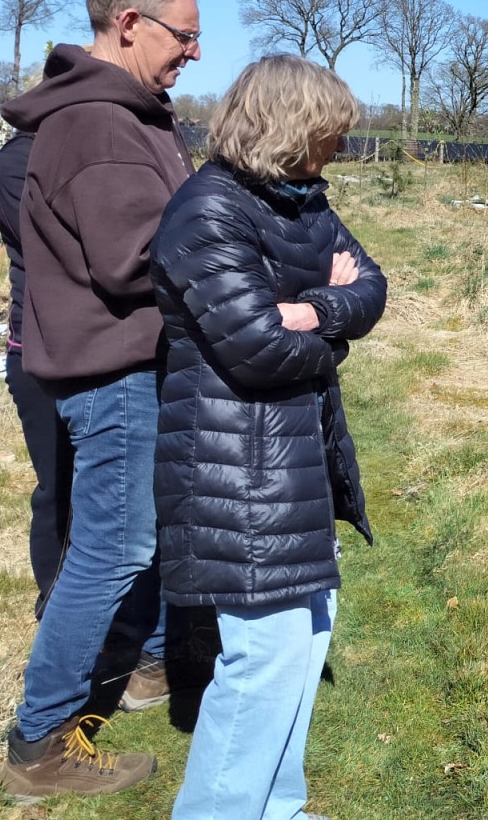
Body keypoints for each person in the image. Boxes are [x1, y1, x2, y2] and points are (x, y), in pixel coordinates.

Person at [152, 54, 385, 820]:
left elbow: (371, 286)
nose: (340, 147)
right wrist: (330, 320)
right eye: (330, 132)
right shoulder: (207, 211)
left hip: (295, 456)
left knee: (306, 642)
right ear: (290, 129)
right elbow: (257, 347)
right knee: (262, 663)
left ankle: (276, 808)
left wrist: (312, 312)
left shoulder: (304, 202)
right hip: (237, 467)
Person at [0, 0, 201, 802]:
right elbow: (132, 260)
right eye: (184, 35)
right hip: (114, 368)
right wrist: (238, 252)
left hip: (134, 361)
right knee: (111, 549)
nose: (194, 52)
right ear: (129, 24)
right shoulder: (98, 123)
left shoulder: (129, 114)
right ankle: (40, 741)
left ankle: (149, 663)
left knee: (138, 533)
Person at [0, 129, 72, 615]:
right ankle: (55, 599)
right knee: (58, 483)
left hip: (89, 347)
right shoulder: (20, 158)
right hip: (40, 351)